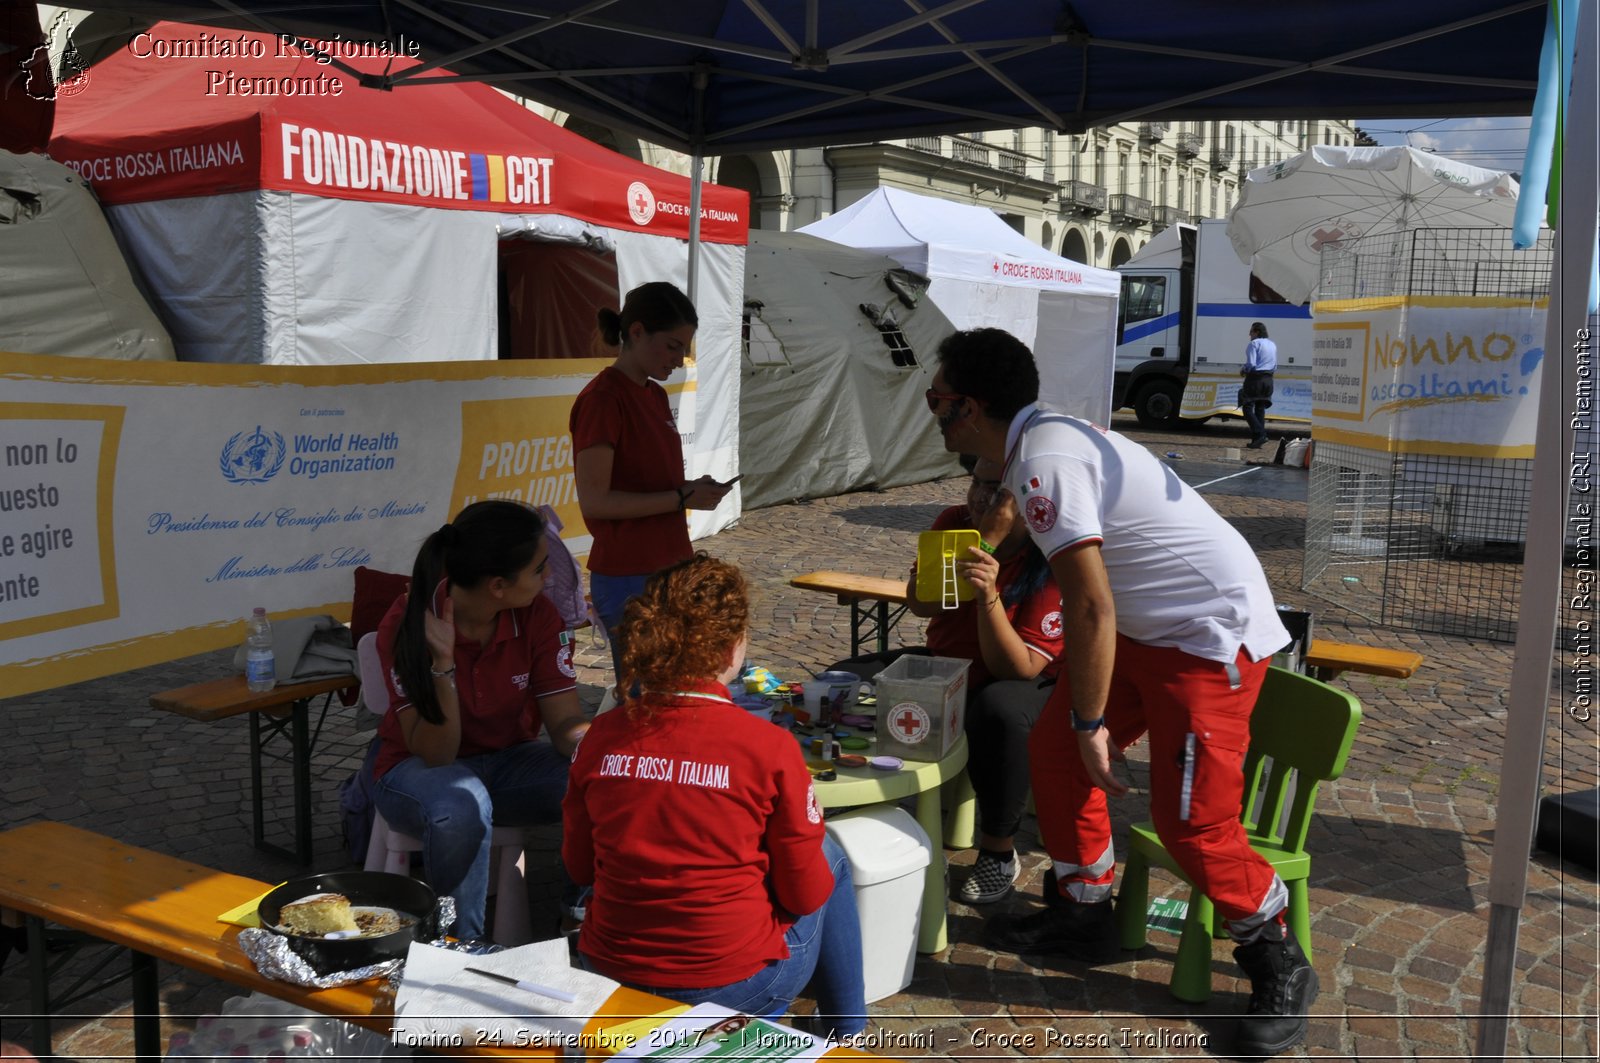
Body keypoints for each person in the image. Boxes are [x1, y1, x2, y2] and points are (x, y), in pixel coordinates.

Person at [925, 328, 1310, 1059]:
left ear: (966, 406)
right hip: (1149, 622)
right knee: (1054, 749)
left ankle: (1274, 951)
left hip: (1205, 636)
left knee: (1191, 820)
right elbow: (1033, 523)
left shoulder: (1042, 462)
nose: (930, 412)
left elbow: (1090, 607)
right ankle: (1084, 909)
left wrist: (1091, 719)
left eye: (933, 400)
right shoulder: (1035, 442)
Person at [563, 555, 867, 1037]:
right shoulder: (768, 746)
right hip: (731, 983)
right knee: (829, 856)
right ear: (732, 649)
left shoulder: (601, 735)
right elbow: (805, 894)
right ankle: (848, 1034)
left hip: (611, 968)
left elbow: (580, 869)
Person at [830, 454, 1064, 905]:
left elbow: (1016, 669)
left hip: (1021, 679)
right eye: (975, 483)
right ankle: (857, 805)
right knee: (842, 680)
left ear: (1026, 501)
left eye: (997, 492)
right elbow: (924, 606)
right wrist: (951, 563)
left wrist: (988, 590)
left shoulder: (1047, 552)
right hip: (947, 661)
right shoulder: (955, 522)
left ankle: (998, 849)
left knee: (996, 713)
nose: (980, 498)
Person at [371, 500, 589, 941]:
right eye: (539, 569)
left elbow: (565, 726)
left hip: (509, 762)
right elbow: (437, 753)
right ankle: (456, 950)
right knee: (462, 802)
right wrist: (442, 665)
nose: (550, 578)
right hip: (414, 770)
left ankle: (580, 917)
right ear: (497, 587)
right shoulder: (410, 623)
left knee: (600, 775)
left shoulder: (538, 616)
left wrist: (615, 744)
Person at [570, 282, 732, 680]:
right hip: (629, 574)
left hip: (668, 568)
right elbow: (596, 502)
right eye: (673, 345)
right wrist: (680, 497)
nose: (681, 358)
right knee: (650, 700)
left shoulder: (654, 396)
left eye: (685, 347)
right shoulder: (603, 399)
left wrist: (691, 490)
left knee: (679, 691)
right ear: (637, 332)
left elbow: (650, 484)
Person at [1240, 321, 1278, 449]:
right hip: (1268, 380)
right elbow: (1275, 365)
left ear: (1256, 332)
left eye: (1251, 332)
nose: (1249, 335)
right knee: (1260, 409)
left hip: (1255, 379)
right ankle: (1256, 440)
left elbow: (1251, 364)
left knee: (1247, 407)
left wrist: (1243, 370)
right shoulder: (1272, 344)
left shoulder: (1254, 344)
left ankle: (1261, 434)